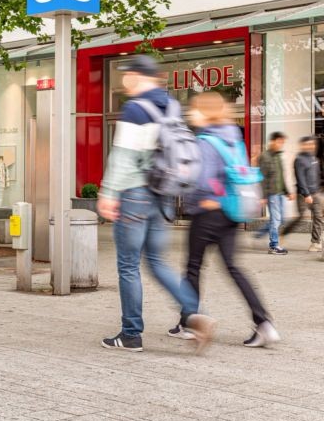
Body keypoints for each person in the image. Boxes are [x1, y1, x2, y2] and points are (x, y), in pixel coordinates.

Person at [97, 54, 215, 352]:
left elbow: (124, 157)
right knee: (158, 262)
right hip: (162, 195)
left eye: (127, 74)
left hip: (134, 194)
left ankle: (131, 334)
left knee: (128, 265)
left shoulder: (135, 108)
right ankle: (194, 314)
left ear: (137, 76)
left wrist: (108, 192)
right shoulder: (172, 106)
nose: (124, 79)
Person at [168, 92, 280, 347]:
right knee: (233, 267)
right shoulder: (232, 137)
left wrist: (186, 184)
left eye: (195, 109)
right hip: (232, 210)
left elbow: (202, 179)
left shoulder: (206, 141)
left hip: (208, 211)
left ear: (206, 112)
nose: (191, 113)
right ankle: (264, 323)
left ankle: (189, 323)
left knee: (193, 268)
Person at [281, 136, 323, 251]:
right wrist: (306, 194)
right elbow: (300, 178)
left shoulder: (314, 158)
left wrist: (319, 190)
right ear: (302, 145)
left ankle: (315, 243)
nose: (311, 146)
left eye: (312, 144)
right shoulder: (299, 159)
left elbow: (317, 176)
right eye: (308, 144)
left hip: (316, 193)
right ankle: (283, 232)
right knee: (300, 218)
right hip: (303, 194)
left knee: (318, 217)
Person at [257, 132, 293, 254]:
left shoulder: (278, 156)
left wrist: (287, 191)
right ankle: (274, 245)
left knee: (281, 219)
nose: (281, 145)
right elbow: (262, 177)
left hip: (280, 193)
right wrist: (263, 196)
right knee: (276, 220)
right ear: (272, 141)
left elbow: (281, 176)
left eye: (282, 142)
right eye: (279, 142)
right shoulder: (264, 156)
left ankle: (260, 232)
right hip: (271, 193)